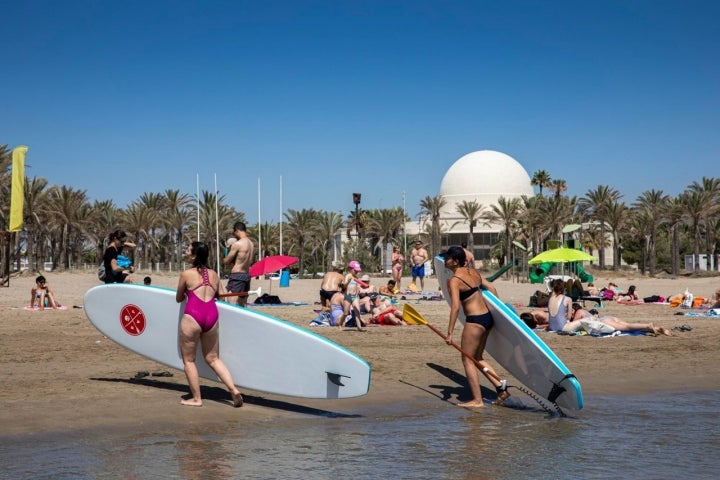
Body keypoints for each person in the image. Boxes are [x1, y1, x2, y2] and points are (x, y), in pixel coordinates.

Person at [176, 241, 243, 408]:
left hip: (193, 316)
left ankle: (197, 398)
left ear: (194, 255)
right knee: (212, 358)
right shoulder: (214, 274)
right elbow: (221, 296)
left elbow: (178, 298)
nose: (186, 251)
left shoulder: (186, 274)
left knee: (189, 360)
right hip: (212, 316)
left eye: (188, 249)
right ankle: (233, 389)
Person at [442, 246, 509, 407]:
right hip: (487, 318)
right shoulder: (473, 273)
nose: (445, 260)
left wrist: (450, 333)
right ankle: (501, 388)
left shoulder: (455, 281)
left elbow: (456, 307)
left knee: (467, 359)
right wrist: (500, 315)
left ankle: (477, 400)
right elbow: (492, 288)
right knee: (477, 357)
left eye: (448, 258)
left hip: (475, 321)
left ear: (456, 262)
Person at [566, 303, 671, 335]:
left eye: (570, 311)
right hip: (608, 318)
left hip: (603, 321)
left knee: (627, 327)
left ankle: (647, 325)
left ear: (574, 309)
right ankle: (658, 329)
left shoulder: (579, 312)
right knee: (629, 326)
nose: (569, 313)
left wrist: (568, 321)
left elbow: (575, 325)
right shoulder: (584, 312)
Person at [223, 221, 255, 307]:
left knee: (231, 302)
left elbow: (226, 261)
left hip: (237, 275)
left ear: (237, 230)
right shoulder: (251, 244)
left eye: (234, 233)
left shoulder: (238, 244)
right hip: (246, 275)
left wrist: (226, 253)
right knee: (242, 304)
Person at [339, 260, 366, 331]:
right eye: (355, 270)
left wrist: (358, 292)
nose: (357, 272)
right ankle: (340, 324)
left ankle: (359, 327)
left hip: (355, 297)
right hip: (347, 297)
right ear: (350, 269)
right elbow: (344, 286)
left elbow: (357, 287)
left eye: (357, 271)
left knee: (357, 312)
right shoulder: (348, 276)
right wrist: (348, 281)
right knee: (346, 313)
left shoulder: (357, 278)